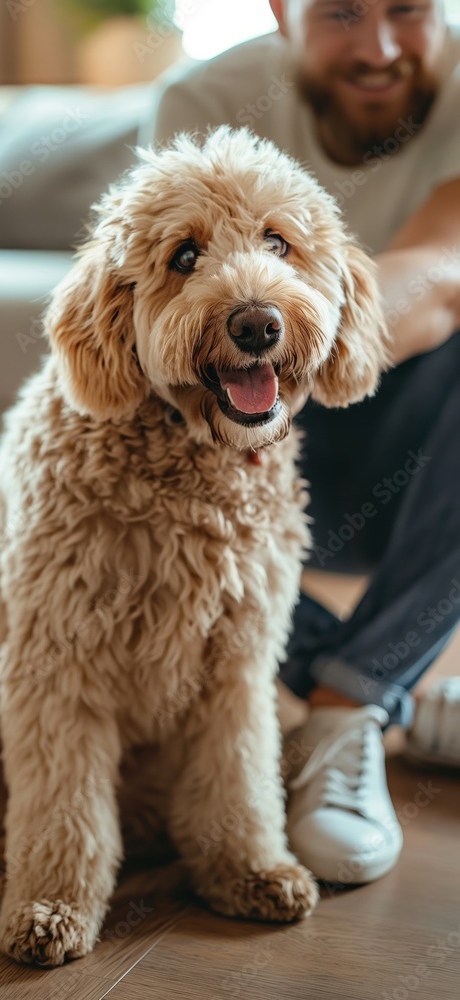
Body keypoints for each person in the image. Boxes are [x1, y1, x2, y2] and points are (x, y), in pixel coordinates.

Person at [141, 0, 460, 885]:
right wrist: (228, 370)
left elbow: (443, 273)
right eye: (342, 15)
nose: (380, 46)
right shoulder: (198, 102)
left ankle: (343, 709)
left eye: (407, 9)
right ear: (281, 9)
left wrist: (277, 343)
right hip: (220, 446)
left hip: (402, 437)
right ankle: (382, 691)